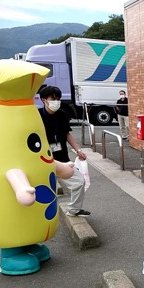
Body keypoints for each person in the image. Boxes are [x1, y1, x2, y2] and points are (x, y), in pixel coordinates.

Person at [38, 86, 91, 217]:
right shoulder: (36, 116)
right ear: (43, 99)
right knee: (44, 192)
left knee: (79, 182)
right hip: (42, 160)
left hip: (62, 158)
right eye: (53, 98)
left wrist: (78, 150)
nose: (56, 101)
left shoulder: (62, 114)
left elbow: (67, 134)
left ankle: (73, 210)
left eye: (58, 99)